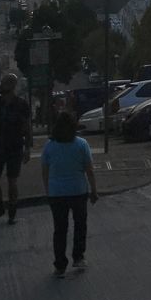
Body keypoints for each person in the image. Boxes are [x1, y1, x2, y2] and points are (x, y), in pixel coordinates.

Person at [41, 110, 98, 276]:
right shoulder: (81, 144)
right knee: (80, 225)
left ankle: (60, 264)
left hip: (56, 192)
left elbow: (45, 171)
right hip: (78, 190)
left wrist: (48, 191)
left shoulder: (49, 146)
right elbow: (89, 170)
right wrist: (94, 190)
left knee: (60, 229)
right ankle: (78, 257)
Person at [0, 73, 32, 225]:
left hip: (15, 145)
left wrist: (27, 148)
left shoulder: (21, 104)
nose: (2, 85)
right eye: (3, 82)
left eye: (6, 83)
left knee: (12, 180)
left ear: (12, 86)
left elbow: (27, 127)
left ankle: (12, 209)